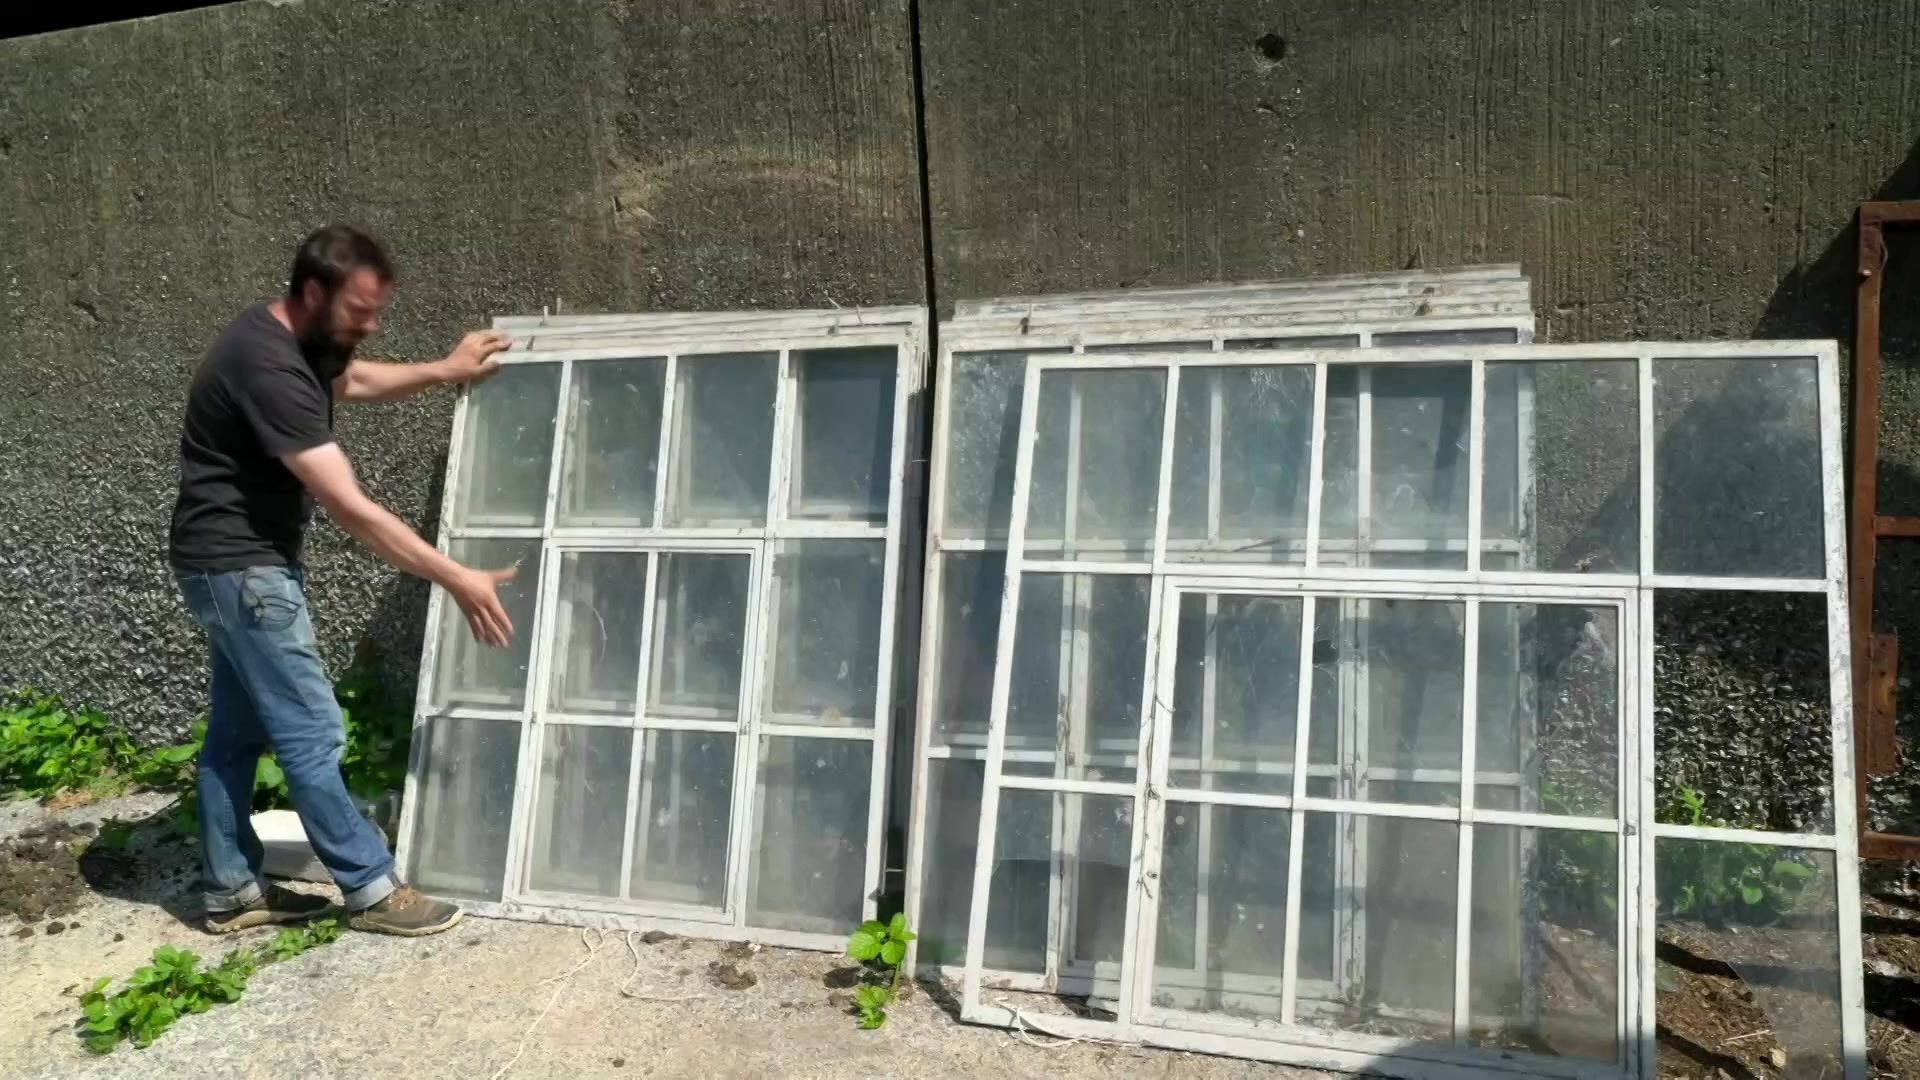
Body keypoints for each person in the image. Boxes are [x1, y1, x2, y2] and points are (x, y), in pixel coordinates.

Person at [168, 225, 518, 936]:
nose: (370, 325)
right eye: (360, 311)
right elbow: (351, 508)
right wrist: (456, 576)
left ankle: (231, 890)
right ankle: (371, 887)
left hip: (216, 566)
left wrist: (444, 370)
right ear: (313, 292)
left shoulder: (288, 339)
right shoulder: (267, 367)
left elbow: (350, 380)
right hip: (244, 571)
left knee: (237, 731)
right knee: (312, 730)